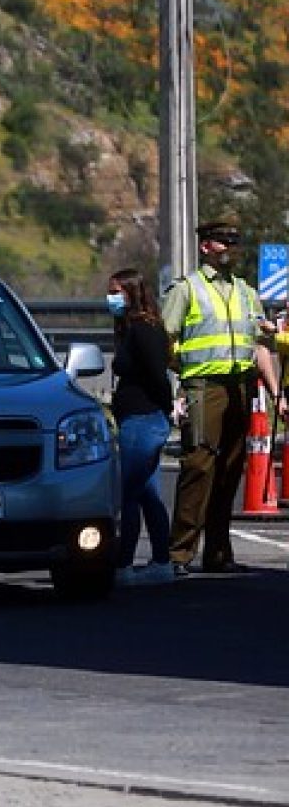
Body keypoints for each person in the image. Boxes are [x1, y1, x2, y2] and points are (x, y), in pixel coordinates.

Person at [162, 212, 282, 576]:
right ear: (205, 246)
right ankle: (179, 554)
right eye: (223, 241)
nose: (230, 248)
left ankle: (218, 552)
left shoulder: (246, 293)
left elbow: (260, 347)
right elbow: (165, 338)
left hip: (241, 386)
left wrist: (277, 394)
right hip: (205, 386)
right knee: (199, 466)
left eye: (234, 241)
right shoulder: (187, 289)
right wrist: (183, 374)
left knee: (231, 469)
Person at [107, 268, 174, 586]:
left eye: (117, 291)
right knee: (148, 493)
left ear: (132, 293)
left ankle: (124, 565)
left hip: (143, 419)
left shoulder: (143, 330)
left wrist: (166, 408)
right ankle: (162, 561)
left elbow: (158, 375)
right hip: (139, 418)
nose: (111, 298)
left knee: (129, 493)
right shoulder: (132, 328)